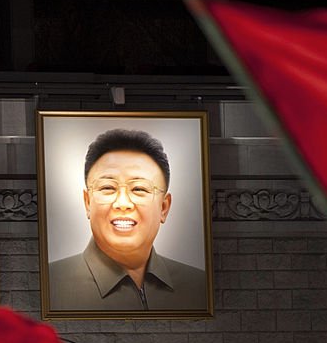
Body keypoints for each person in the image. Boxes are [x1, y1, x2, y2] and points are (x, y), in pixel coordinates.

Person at [48, 129, 207, 311]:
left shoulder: (198, 286)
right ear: (87, 202)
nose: (123, 203)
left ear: (164, 207)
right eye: (108, 187)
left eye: (139, 189)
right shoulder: (51, 283)